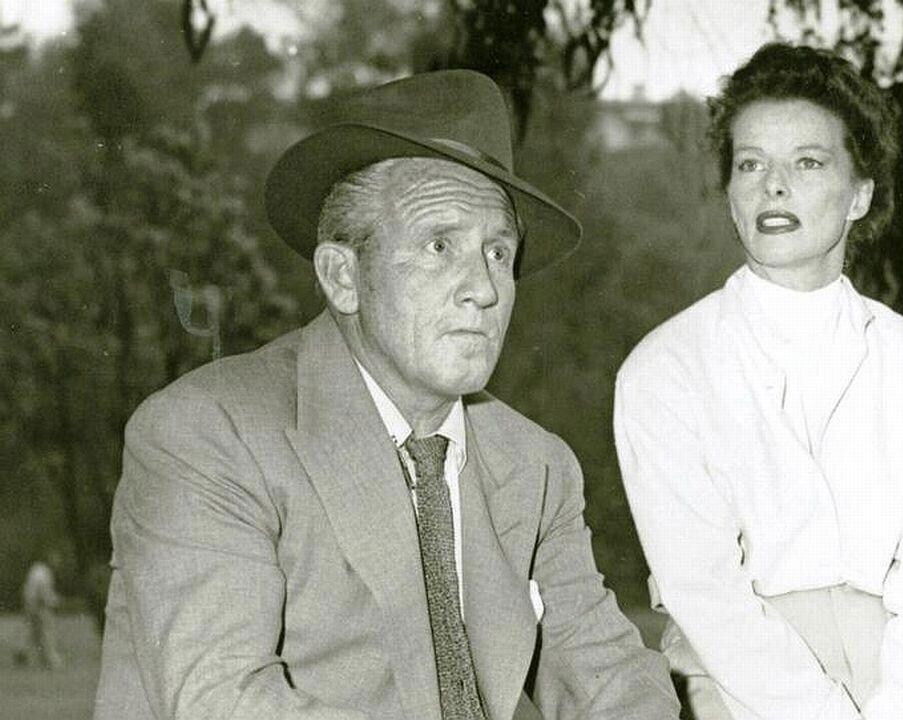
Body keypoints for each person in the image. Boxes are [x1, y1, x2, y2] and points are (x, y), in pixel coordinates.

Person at [94, 70, 680, 720]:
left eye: (497, 252)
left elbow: (606, 672)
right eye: (440, 245)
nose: (484, 289)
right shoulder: (210, 433)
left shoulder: (536, 465)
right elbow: (221, 701)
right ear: (342, 276)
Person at [614, 43, 903, 719]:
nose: (774, 186)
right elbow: (707, 596)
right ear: (729, 191)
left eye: (808, 162)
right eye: (751, 163)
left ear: (860, 195)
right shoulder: (664, 370)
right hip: (734, 695)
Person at [21, 550, 63, 670]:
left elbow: (28, 589)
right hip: (40, 606)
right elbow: (44, 593)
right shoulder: (44, 573)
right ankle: (52, 661)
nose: (57, 564)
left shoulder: (36, 569)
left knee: (33, 634)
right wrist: (55, 601)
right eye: (56, 561)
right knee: (47, 634)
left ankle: (32, 659)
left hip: (30, 605)